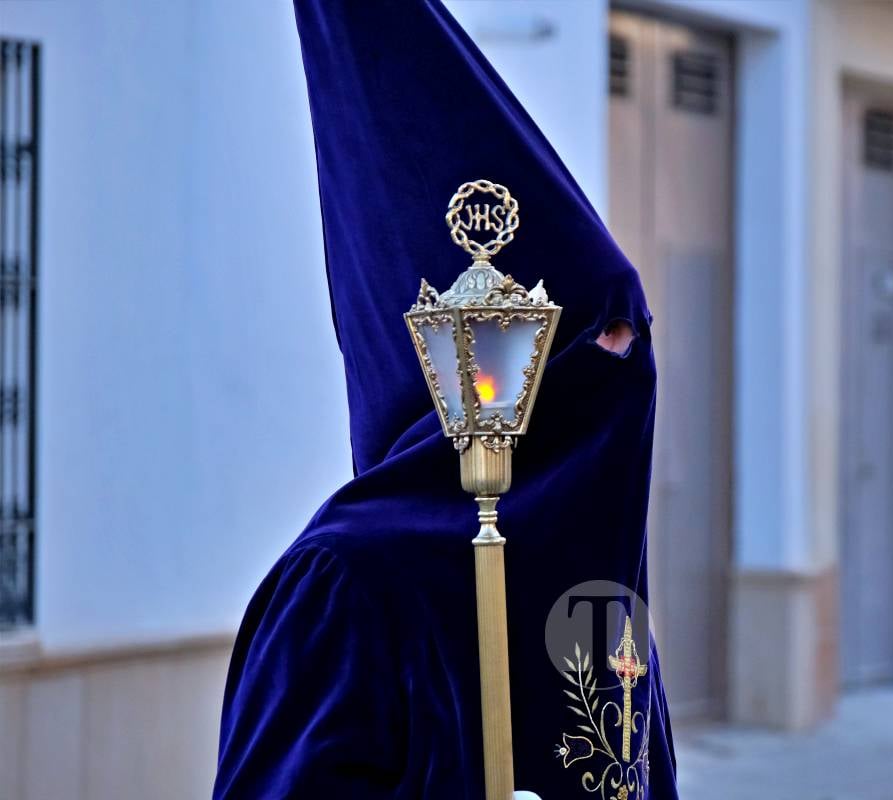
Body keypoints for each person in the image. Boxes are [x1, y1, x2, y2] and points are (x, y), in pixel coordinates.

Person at [213, 1, 678, 797]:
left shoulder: (597, 588)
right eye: (591, 337)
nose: (624, 370)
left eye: (631, 333)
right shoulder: (347, 587)